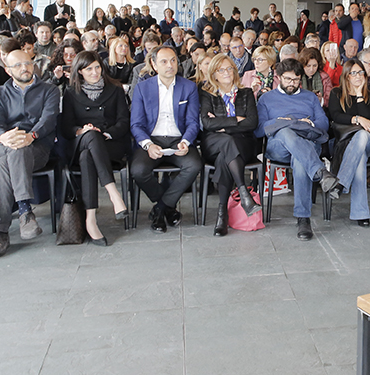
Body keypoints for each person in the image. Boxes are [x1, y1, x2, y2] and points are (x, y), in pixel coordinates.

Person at [0, 48, 60, 259]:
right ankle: (25, 212)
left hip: (38, 147)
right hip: (7, 143)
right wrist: (2, 137)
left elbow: (49, 118)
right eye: (17, 65)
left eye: (27, 63)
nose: (24, 68)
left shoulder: (50, 90)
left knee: (2, 166)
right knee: (15, 149)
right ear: (8, 70)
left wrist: (32, 135)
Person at [255, 58, 342, 241]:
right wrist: (282, 123)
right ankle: (321, 173)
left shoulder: (310, 97)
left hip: (307, 141)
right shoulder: (266, 98)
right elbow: (258, 129)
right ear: (278, 78)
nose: (291, 84)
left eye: (295, 80)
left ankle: (303, 218)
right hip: (279, 146)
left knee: (301, 160)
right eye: (287, 79)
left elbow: (324, 123)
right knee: (286, 131)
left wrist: (308, 122)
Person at [129, 45, 203, 234]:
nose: (170, 65)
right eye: (164, 61)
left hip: (179, 138)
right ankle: (167, 207)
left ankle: (160, 209)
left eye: (173, 60)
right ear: (154, 64)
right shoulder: (142, 88)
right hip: (152, 138)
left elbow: (193, 122)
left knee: (194, 165)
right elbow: (136, 124)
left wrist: (186, 141)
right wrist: (148, 144)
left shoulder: (189, 87)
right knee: (138, 170)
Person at [61, 51, 131, 246]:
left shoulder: (115, 89)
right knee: (90, 136)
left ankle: (90, 219)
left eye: (97, 67)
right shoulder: (70, 93)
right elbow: (66, 126)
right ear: (80, 71)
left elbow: (124, 121)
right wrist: (81, 130)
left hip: (110, 143)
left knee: (87, 157)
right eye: (89, 69)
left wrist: (106, 133)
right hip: (80, 140)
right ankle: (113, 193)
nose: (95, 72)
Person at [198, 54, 261, 236]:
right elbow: (207, 124)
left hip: (244, 143)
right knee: (227, 143)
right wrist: (235, 120)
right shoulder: (207, 94)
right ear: (214, 74)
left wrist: (223, 124)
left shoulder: (246, 93)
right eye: (221, 69)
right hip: (213, 143)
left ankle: (222, 214)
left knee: (226, 153)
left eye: (230, 68)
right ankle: (244, 193)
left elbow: (252, 123)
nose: (227, 72)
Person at [326, 59, 370, 227]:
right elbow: (335, 116)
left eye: (361, 72)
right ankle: (361, 213)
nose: (358, 76)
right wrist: (357, 119)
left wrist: (359, 95)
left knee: (363, 135)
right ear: (347, 76)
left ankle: (341, 181)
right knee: (360, 160)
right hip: (345, 143)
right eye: (354, 73)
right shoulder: (337, 93)